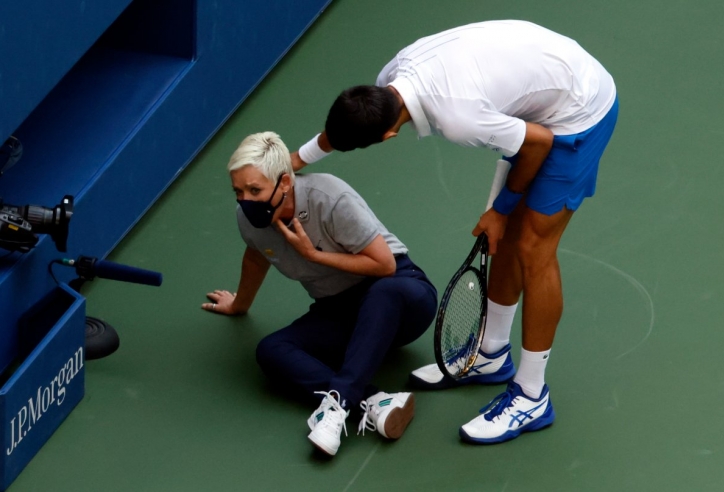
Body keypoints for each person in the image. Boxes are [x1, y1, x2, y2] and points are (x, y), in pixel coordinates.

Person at [289, 20, 619, 444]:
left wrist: (500, 209)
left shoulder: (459, 118)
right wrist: (296, 159)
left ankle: (532, 395)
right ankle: (491, 354)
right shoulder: (389, 81)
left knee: (532, 249)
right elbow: (342, 132)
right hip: (536, 86)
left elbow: (537, 143)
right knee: (504, 241)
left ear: (390, 135)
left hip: (578, 109)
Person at [202, 131, 437, 456]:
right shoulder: (249, 219)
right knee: (271, 350)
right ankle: (375, 400)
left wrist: (314, 255)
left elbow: (384, 265)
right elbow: (256, 256)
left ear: (284, 183)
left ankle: (338, 405)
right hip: (340, 309)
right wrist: (239, 305)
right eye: (238, 191)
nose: (246, 200)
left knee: (385, 293)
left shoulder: (329, 198)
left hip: (401, 297)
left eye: (255, 190)